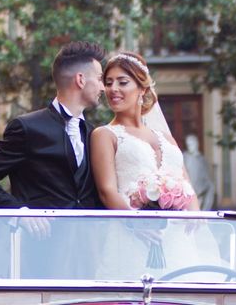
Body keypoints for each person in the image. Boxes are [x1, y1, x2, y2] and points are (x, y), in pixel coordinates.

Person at [0, 41, 106, 279]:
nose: (103, 87)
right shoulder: (27, 128)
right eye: (100, 78)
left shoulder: (94, 133)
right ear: (81, 80)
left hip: (87, 258)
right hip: (39, 258)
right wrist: (19, 212)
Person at [91, 52, 224, 279]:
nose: (113, 89)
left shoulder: (165, 137)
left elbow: (185, 185)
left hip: (176, 236)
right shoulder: (104, 134)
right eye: (109, 82)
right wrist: (136, 224)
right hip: (130, 233)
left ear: (142, 89)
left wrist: (195, 214)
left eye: (123, 82)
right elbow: (107, 191)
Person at [182, 134, 216, 210]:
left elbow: (207, 178)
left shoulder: (202, 160)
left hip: (199, 193)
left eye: (192, 144)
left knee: (210, 188)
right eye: (188, 144)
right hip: (187, 193)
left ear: (196, 144)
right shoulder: (185, 157)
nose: (190, 146)